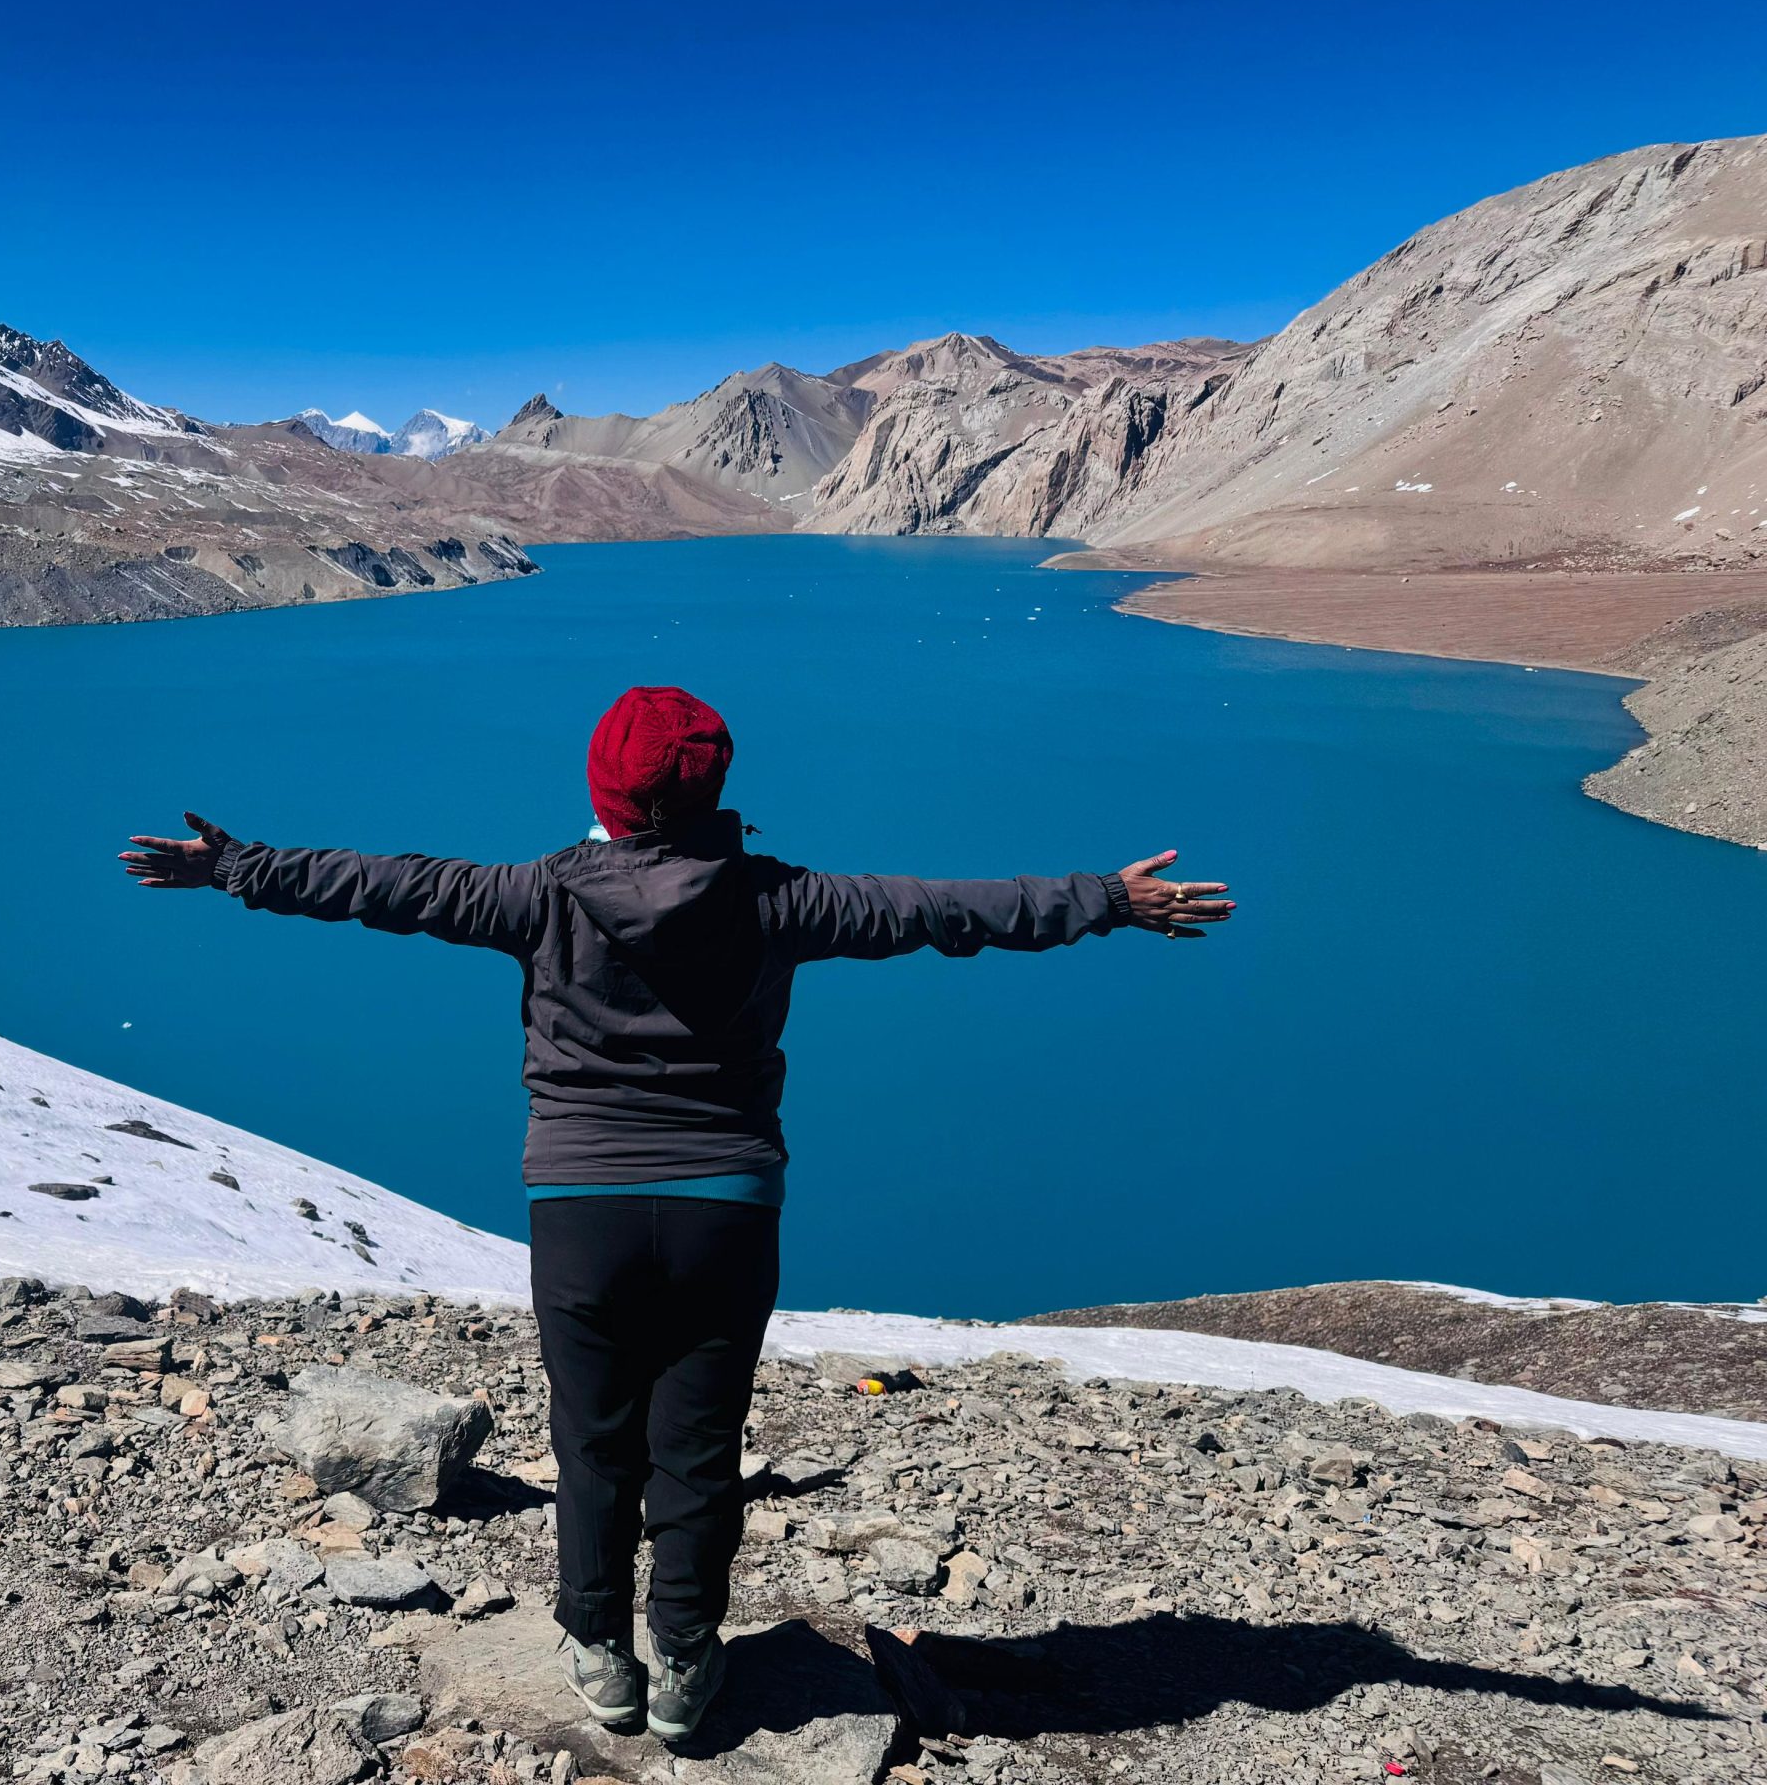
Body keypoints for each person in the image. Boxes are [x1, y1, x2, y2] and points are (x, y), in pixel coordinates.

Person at [120, 684, 1235, 1741]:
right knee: (696, 1448)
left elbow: (385, 886)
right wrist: (1109, 901)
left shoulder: (536, 893)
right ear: (710, 791)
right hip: (725, 1207)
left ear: (603, 790)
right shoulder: (783, 898)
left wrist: (237, 867)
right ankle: (688, 1663)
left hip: (580, 1210)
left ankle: (599, 1651)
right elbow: (948, 912)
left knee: (594, 1441)